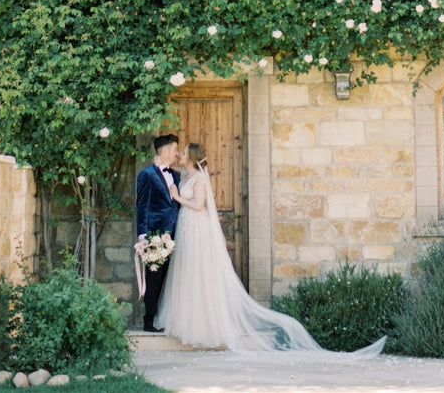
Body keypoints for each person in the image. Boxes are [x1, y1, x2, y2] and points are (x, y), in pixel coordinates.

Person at [155, 142, 386, 355]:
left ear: (192, 157)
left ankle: (205, 328)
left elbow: (198, 205)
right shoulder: (185, 175)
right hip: (186, 229)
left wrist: (177, 198)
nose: (180, 154)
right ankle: (188, 321)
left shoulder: (200, 180)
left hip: (197, 228)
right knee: (188, 273)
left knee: (201, 274)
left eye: (183, 152)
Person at [135, 133, 180, 332]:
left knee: (171, 279)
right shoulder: (147, 175)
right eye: (175, 150)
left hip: (176, 234)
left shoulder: (176, 175)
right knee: (154, 279)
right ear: (165, 151)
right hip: (155, 236)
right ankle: (149, 321)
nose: (178, 154)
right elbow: (141, 206)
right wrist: (143, 236)